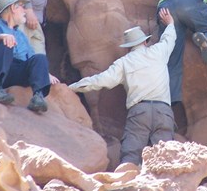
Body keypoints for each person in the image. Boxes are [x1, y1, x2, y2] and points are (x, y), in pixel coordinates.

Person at [69, 8, 176, 165]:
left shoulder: (124, 63)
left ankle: (128, 185)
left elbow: (100, 80)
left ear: (128, 47)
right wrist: (170, 23)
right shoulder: (159, 51)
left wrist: (72, 87)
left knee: (131, 157)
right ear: (146, 41)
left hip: (139, 112)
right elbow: (169, 38)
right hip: (164, 111)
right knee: (165, 157)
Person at [0, 0, 60, 113]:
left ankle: (38, 97)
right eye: (21, 6)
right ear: (12, 8)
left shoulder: (20, 35)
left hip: (13, 71)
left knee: (40, 58)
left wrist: (44, 73)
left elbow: (32, 58)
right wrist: (0, 37)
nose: (24, 11)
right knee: (6, 43)